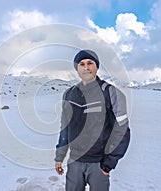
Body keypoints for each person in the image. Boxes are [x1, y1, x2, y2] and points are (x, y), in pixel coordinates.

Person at [55, 49, 130, 191]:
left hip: (99, 164)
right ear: (77, 69)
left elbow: (123, 131)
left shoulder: (110, 92)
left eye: (90, 63)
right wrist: (60, 156)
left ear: (96, 66)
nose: (86, 67)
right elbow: (65, 128)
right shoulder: (69, 94)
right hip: (74, 162)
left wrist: (108, 163)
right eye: (81, 64)